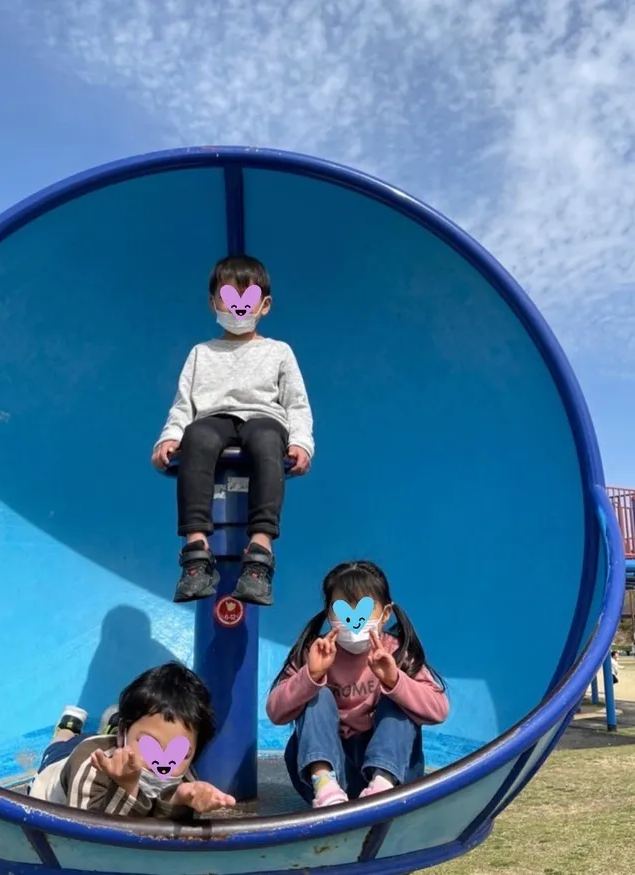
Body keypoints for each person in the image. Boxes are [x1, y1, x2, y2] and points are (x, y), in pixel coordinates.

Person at [151, 254, 314, 607]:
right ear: (214, 302)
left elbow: (296, 404)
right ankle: (196, 550)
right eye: (229, 296)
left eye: (248, 297)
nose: (238, 306)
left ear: (264, 305)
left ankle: (259, 549)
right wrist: (170, 436)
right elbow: (184, 404)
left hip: (262, 417)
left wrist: (301, 442)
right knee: (198, 436)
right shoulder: (201, 353)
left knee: (267, 438)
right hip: (214, 417)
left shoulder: (278, 352)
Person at [266, 560, 449, 808]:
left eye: (363, 610)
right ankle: (325, 785)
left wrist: (394, 680)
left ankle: (382, 784)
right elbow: (275, 712)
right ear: (330, 613)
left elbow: (439, 710)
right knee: (317, 694)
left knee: (398, 703)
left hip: (392, 771)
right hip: (331, 769)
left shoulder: (396, 652)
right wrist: (310, 676)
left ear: (385, 614)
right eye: (342, 610)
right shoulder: (316, 652)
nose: (354, 620)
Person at [28, 662, 235, 818]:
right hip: (59, 768)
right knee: (61, 746)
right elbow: (89, 836)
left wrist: (180, 800)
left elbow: (160, 838)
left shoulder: (185, 779)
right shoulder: (90, 766)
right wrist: (126, 786)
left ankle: (113, 723)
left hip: (118, 741)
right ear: (123, 734)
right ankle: (66, 728)